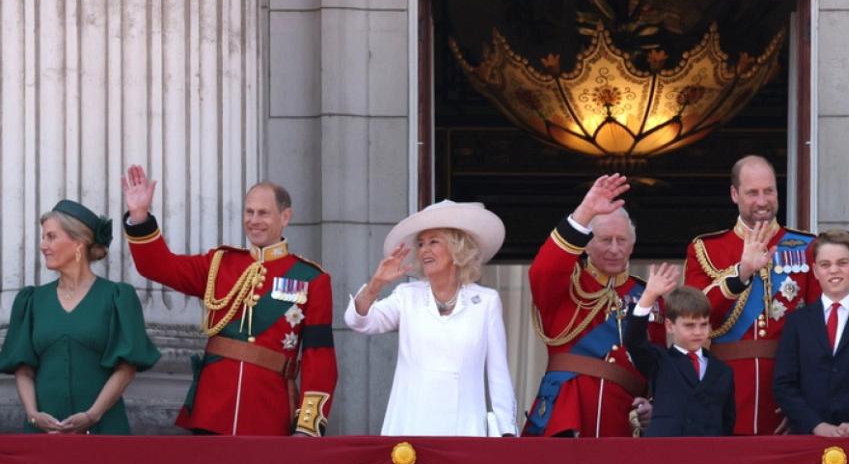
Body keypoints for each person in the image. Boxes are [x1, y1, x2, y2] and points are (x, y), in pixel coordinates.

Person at [121, 165, 337, 436]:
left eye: (263, 213)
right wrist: (140, 217)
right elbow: (160, 267)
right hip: (213, 409)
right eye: (249, 212)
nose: (254, 220)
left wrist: (308, 426)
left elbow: (320, 358)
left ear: (285, 216)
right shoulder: (220, 264)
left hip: (270, 412)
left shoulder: (311, 279)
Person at [343, 200, 517, 437]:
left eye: (434, 241)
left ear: (458, 249)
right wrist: (376, 284)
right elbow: (359, 322)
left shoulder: (485, 301)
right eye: (422, 244)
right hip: (410, 428)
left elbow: (498, 373)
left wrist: (506, 431)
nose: (425, 249)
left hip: (464, 431)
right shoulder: (406, 296)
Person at [684, 155, 820, 435]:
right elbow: (693, 315)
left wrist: (804, 398)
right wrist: (742, 272)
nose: (762, 201)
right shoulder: (707, 249)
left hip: (785, 387)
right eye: (752, 192)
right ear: (735, 194)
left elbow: (818, 327)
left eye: (769, 191)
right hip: (726, 388)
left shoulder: (807, 246)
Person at [0, 200, 160, 434]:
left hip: (103, 429)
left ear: (79, 242)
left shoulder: (117, 297)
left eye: (51, 237)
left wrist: (93, 415)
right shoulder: (31, 301)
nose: (43, 245)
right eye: (44, 237)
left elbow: (126, 367)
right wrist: (33, 415)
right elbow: (23, 369)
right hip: (43, 433)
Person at [523, 174, 663, 437]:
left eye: (621, 241)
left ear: (632, 246)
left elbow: (656, 364)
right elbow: (543, 270)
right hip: (566, 416)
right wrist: (585, 213)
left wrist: (652, 404)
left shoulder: (650, 297)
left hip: (622, 421)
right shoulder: (564, 285)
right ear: (586, 244)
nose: (614, 249)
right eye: (605, 240)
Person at [772, 229, 849, 436]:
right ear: (815, 270)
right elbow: (784, 385)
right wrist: (815, 425)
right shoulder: (797, 322)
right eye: (825, 264)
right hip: (808, 436)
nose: (834, 270)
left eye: (842, 263)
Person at [624, 264, 735, 437]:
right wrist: (649, 296)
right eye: (689, 325)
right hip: (664, 453)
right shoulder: (659, 361)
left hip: (708, 456)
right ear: (670, 326)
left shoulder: (722, 371)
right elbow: (634, 340)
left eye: (703, 324)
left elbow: (727, 422)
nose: (698, 332)